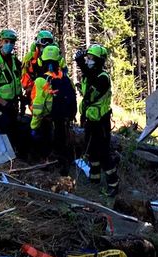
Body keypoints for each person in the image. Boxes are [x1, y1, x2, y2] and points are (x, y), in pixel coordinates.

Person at [77, 44, 118, 196]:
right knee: (91, 151)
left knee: (103, 153)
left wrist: (82, 66)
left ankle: (113, 184)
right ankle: (94, 179)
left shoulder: (103, 77)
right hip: (90, 119)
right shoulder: (90, 75)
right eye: (87, 58)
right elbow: (86, 93)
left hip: (101, 122)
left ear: (99, 61)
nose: (88, 61)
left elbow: (92, 94)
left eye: (91, 58)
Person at [29, 44, 76, 169]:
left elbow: (38, 107)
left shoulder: (41, 81)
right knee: (61, 143)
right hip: (63, 120)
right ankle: (62, 164)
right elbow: (72, 99)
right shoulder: (66, 79)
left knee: (45, 143)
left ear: (42, 61)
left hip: (46, 121)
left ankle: (46, 163)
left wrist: (34, 126)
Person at [21, 29, 59, 106]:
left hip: (54, 95)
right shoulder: (30, 59)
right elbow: (25, 78)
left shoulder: (57, 58)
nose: (46, 45)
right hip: (36, 95)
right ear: (38, 45)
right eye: (44, 42)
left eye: (49, 42)